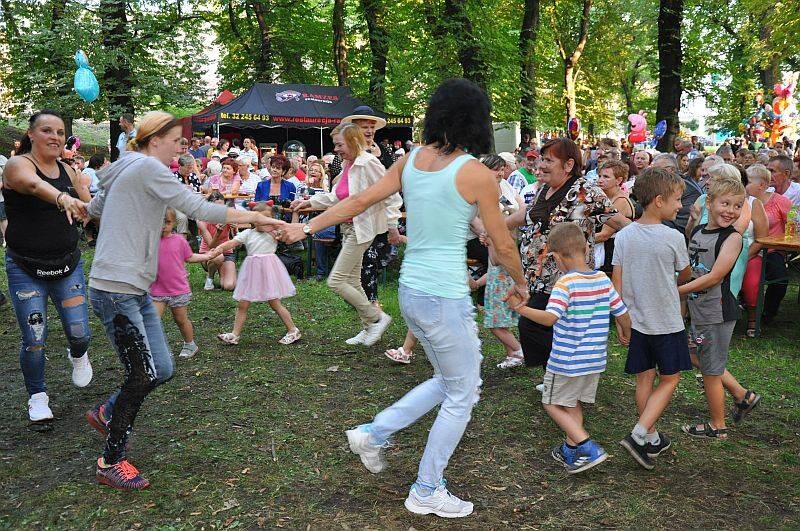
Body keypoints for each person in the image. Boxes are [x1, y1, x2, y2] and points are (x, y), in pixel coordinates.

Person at [279, 78, 528, 518]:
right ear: (476, 120)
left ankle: (374, 434)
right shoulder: (476, 173)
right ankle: (427, 488)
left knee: (449, 380)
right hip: (443, 296)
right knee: (463, 392)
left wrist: (306, 227)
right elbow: (503, 244)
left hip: (413, 292)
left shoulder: (411, 161)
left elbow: (358, 202)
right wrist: (520, 282)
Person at [84, 111, 284, 490]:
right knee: (142, 373)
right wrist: (255, 219)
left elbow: (94, 209)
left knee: (161, 367)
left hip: (135, 288)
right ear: (154, 139)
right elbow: (198, 208)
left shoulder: (126, 167)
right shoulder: (145, 166)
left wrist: (79, 206)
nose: (182, 146)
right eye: (176, 139)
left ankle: (108, 411)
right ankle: (109, 460)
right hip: (115, 288)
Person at [505, 138, 631, 384]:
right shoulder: (544, 189)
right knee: (535, 328)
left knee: (535, 326)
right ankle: (556, 376)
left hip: (567, 280)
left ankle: (565, 377)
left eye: (549, 160)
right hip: (538, 277)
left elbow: (620, 224)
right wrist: (498, 226)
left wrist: (648, 235)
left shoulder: (586, 192)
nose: (541, 165)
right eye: (542, 159)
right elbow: (527, 215)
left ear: (568, 164)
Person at [509, 223, 630, 473]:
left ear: (555, 257)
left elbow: (550, 318)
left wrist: (521, 309)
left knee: (551, 403)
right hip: (594, 360)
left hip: (566, 360)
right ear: (587, 248)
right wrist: (626, 332)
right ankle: (571, 449)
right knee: (572, 403)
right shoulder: (602, 279)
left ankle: (587, 446)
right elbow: (621, 311)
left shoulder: (565, 284)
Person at [2, 109, 93, 425]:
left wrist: (89, 205)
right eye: (46, 130)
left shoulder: (69, 172)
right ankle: (37, 396)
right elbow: (31, 186)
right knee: (35, 337)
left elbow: (90, 207)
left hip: (67, 264)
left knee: (80, 333)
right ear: (31, 134)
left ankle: (78, 354)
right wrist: (61, 199)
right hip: (26, 268)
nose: (54, 136)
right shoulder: (18, 166)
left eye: (59, 131)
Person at [290, 123, 402, 347]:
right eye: (335, 144)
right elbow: (335, 198)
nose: (336, 149)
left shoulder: (368, 163)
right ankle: (369, 327)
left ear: (352, 141)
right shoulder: (348, 166)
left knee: (336, 281)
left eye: (339, 144)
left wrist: (392, 224)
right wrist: (308, 202)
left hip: (363, 229)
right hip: (348, 228)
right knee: (352, 280)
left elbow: (391, 194)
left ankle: (377, 318)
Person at [612, 166, 692, 470]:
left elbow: (616, 281)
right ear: (659, 200)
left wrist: (622, 319)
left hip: (636, 321)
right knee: (670, 378)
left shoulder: (624, 236)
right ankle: (638, 434)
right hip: (667, 322)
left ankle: (651, 437)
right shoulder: (673, 237)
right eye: (677, 199)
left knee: (645, 377)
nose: (680, 205)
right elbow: (684, 274)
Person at [679, 176, 760, 437]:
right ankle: (742, 395)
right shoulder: (699, 232)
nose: (731, 211)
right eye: (725, 204)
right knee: (695, 356)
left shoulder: (733, 238)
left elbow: (714, 277)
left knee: (711, 370)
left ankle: (718, 425)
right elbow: (691, 269)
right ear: (709, 203)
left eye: (737, 206)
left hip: (718, 312)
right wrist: (683, 301)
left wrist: (675, 292)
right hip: (700, 310)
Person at [213, 202, 301, 346]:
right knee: (243, 303)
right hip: (252, 273)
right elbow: (231, 243)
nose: (261, 221)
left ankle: (293, 330)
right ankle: (234, 334)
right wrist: (218, 249)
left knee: (275, 303)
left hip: (268, 272)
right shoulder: (247, 234)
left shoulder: (274, 234)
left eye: (265, 218)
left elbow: (288, 231)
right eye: (258, 217)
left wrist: (278, 228)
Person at [471, 154, 525, 369]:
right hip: (500, 258)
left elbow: (521, 211)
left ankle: (520, 351)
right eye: (496, 169)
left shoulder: (504, 190)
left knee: (495, 320)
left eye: (502, 169)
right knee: (501, 316)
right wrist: (485, 234)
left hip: (503, 257)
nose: (500, 173)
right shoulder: (481, 192)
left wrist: (490, 237)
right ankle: (513, 353)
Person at [150, 208, 219, 359]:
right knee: (152, 321)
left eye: (167, 222)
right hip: (157, 289)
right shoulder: (149, 240)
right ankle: (157, 349)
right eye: (159, 221)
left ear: (173, 223)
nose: (163, 226)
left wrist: (206, 255)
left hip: (178, 289)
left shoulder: (179, 240)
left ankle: (190, 344)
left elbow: (189, 257)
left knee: (181, 320)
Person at [741, 163, 792, 331]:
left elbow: (792, 225)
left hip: (772, 250)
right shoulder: (742, 202)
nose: (743, 185)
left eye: (747, 182)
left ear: (762, 185)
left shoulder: (780, 201)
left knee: (780, 279)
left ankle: (768, 313)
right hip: (749, 248)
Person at [594, 160, 636, 273]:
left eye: (606, 177)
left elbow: (604, 235)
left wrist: (577, 242)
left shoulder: (620, 201)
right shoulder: (604, 197)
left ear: (619, 180)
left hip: (611, 258)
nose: (600, 180)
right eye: (600, 176)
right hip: (602, 254)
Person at [198, 191, 238, 291]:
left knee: (229, 286)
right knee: (218, 257)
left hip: (227, 252)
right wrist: (218, 233)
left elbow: (237, 244)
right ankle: (210, 278)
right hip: (208, 253)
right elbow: (211, 245)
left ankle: (228, 273)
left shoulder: (229, 216)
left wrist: (235, 230)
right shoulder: (202, 220)